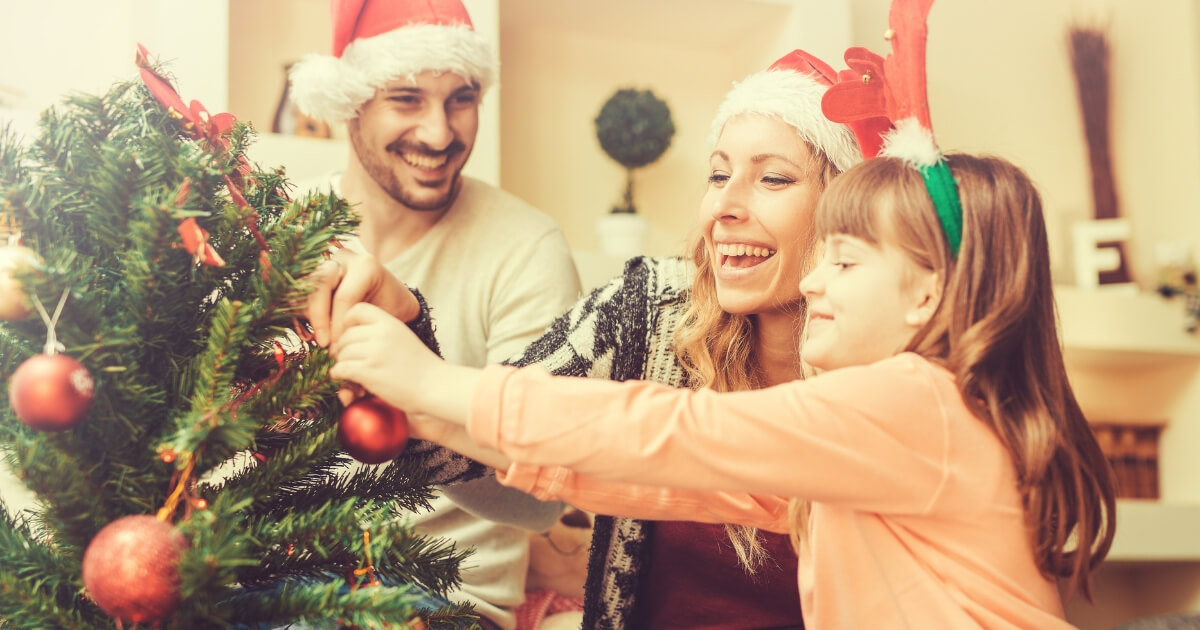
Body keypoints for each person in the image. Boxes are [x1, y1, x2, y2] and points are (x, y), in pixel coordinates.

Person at [328, 146, 1119, 628]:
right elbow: (668, 485)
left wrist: (438, 382)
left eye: (844, 262)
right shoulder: (898, 437)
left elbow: (681, 431)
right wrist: (430, 416)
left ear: (927, 294)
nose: (813, 285)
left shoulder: (918, 401)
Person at [308, 48, 863, 628]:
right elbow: (549, 453)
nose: (723, 206)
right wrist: (409, 346)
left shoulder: (896, 391)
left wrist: (425, 380)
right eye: (719, 174)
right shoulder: (648, 307)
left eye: (773, 178)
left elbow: (668, 443)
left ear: (852, 216)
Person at [288, 1, 582, 628]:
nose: (440, 133)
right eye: (406, 98)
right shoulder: (287, 232)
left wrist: (413, 381)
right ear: (352, 103)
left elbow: (543, 500)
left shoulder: (526, 248)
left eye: (461, 98)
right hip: (268, 575)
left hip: (442, 597)